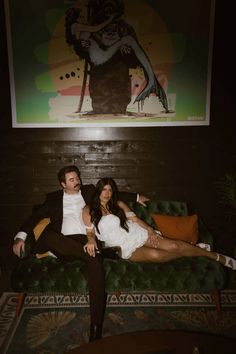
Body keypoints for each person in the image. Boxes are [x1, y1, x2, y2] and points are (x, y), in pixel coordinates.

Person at [12, 166, 149, 341]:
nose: (77, 182)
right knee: (51, 237)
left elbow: (111, 193)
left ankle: (95, 329)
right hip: (62, 242)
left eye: (77, 178)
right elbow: (34, 218)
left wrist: (137, 197)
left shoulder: (89, 191)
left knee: (94, 262)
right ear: (63, 184)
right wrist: (20, 236)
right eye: (71, 180)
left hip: (87, 242)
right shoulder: (53, 199)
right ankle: (98, 254)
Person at [83, 177, 236, 270]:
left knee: (174, 246)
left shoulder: (119, 204)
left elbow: (135, 220)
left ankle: (215, 256)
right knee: (157, 256)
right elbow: (89, 231)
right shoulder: (88, 209)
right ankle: (195, 249)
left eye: (110, 190)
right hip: (121, 246)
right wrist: (90, 239)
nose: (107, 193)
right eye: (104, 189)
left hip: (137, 233)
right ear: (98, 191)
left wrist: (149, 229)